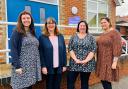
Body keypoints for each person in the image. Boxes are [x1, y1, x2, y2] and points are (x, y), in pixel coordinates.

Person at [10, 11, 42, 89]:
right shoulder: (16, 32)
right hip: (22, 66)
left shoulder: (32, 32)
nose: (26, 20)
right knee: (21, 86)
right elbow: (13, 49)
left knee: (29, 86)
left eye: (28, 18)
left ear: (31, 20)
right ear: (20, 20)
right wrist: (17, 66)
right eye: (23, 18)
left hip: (31, 67)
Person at [67, 20, 97, 89]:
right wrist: (75, 59)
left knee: (84, 83)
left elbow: (93, 50)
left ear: (86, 27)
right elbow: (70, 49)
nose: (82, 27)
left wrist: (85, 60)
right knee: (70, 82)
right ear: (78, 27)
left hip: (87, 64)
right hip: (74, 63)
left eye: (84, 26)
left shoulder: (91, 37)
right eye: (81, 25)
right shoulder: (73, 37)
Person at [39, 17, 67, 89]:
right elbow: (41, 53)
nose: (51, 25)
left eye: (53, 23)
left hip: (59, 67)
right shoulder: (42, 37)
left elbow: (64, 51)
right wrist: (43, 66)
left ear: (55, 25)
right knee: (49, 86)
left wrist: (64, 65)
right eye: (49, 23)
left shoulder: (60, 36)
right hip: (48, 67)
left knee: (57, 86)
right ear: (46, 25)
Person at [96, 17, 122, 89]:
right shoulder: (103, 34)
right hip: (101, 60)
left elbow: (117, 46)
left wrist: (115, 62)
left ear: (109, 23)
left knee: (107, 80)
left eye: (104, 22)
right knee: (103, 79)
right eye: (101, 23)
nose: (103, 24)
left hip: (109, 60)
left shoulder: (115, 33)